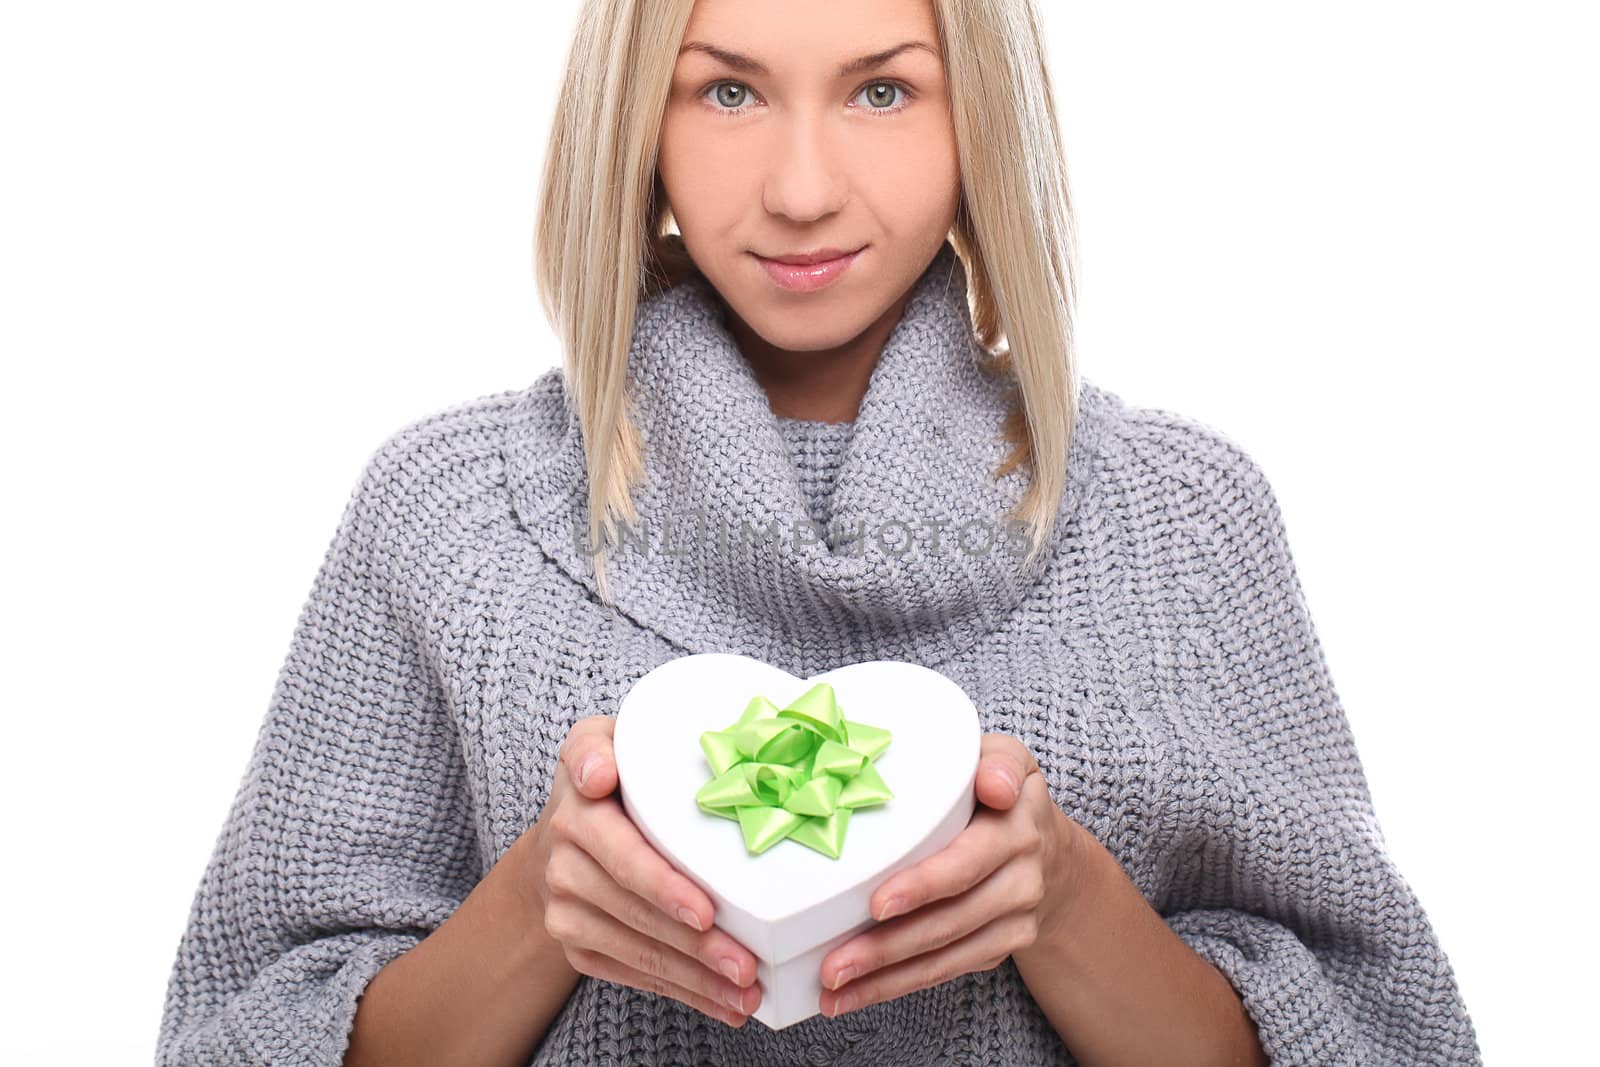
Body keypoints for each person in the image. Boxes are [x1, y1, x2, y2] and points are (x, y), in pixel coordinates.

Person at [156, 0, 1484, 1064]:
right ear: (640, 117)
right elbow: (234, 1035)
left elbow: (1388, 1039)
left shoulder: (1183, 518)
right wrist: (543, 907)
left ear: (979, 117)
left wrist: (1064, 905)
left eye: (884, 89)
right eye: (727, 90)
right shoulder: (445, 509)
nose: (801, 188)